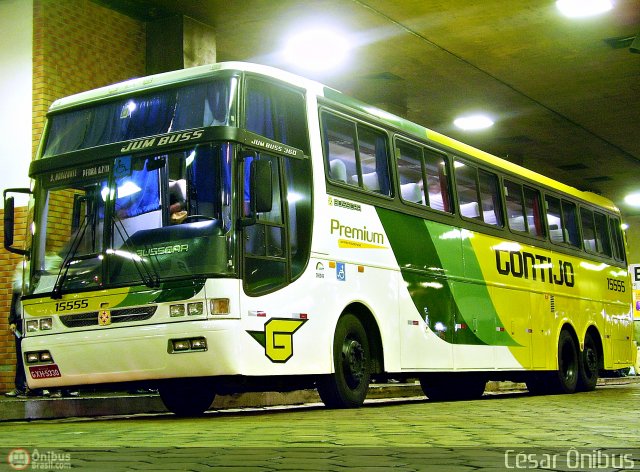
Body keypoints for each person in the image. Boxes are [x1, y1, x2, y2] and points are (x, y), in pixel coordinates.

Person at [6, 263, 28, 397]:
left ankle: (33, 387)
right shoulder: (20, 286)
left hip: (30, 319)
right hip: (20, 321)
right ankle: (20, 386)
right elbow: (14, 302)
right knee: (20, 355)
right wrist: (12, 321)